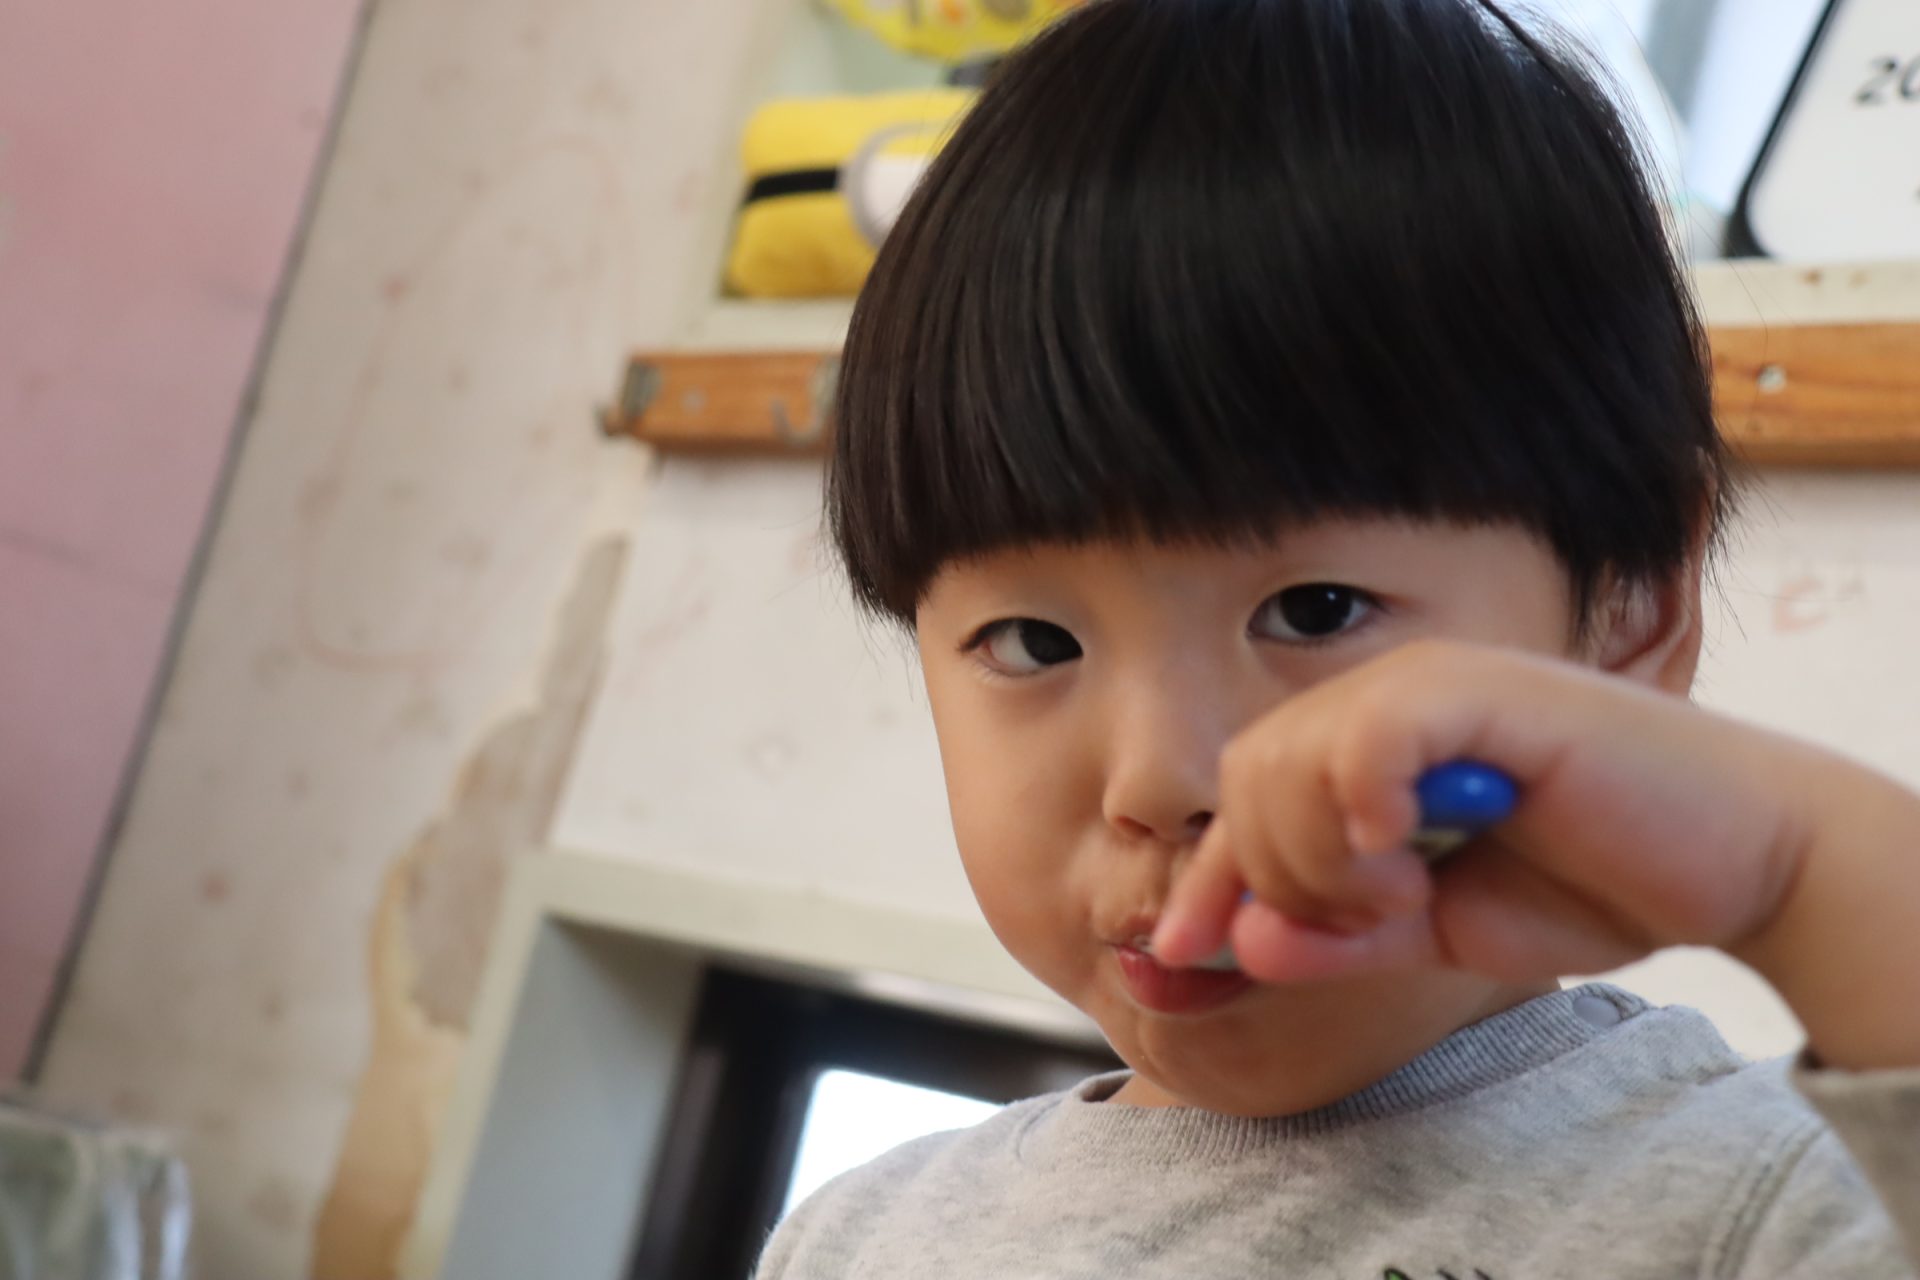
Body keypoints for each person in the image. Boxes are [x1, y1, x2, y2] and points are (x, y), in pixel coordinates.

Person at [754, 0, 1920, 1275]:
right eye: (1032, 639)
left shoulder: (1773, 1200)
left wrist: (1799, 875)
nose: (1157, 779)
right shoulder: (855, 1237)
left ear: (1632, 599)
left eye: (1313, 611)